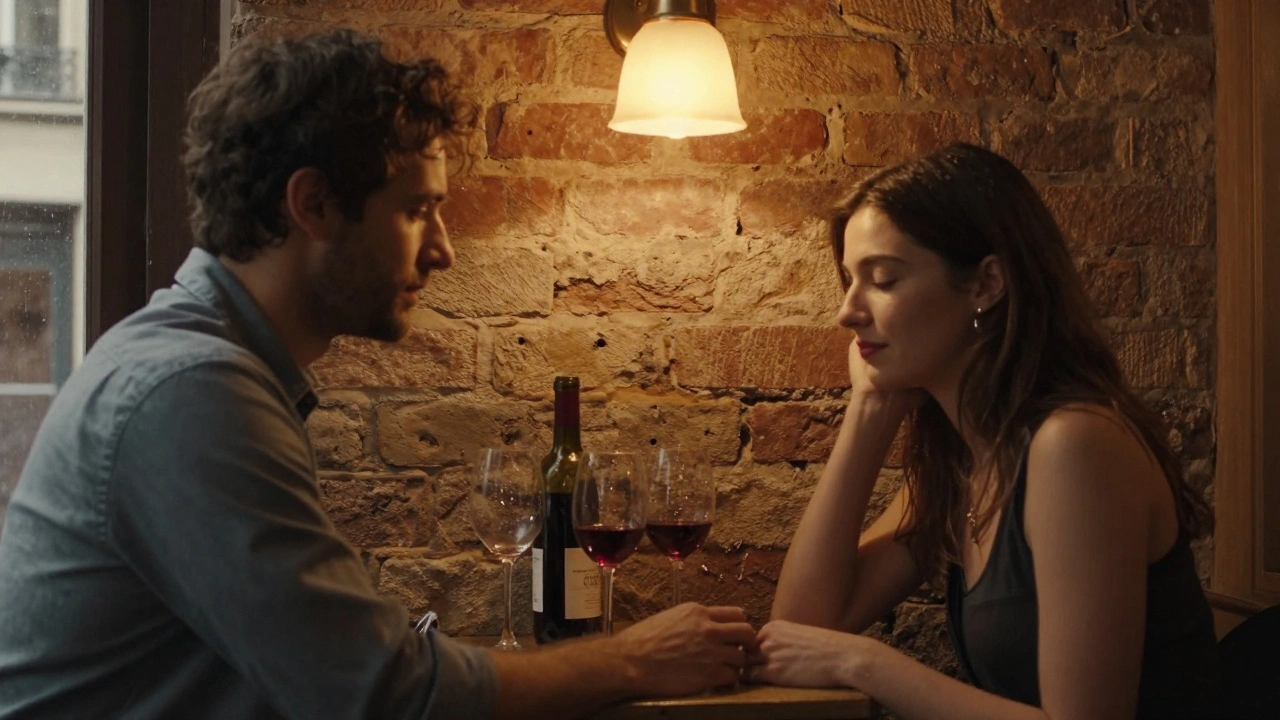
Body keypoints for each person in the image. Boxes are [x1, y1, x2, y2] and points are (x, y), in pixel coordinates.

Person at [0, 29, 756, 719]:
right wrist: (633, 660)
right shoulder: (188, 391)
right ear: (315, 204)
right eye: (418, 211)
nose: (444, 250)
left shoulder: (204, 367)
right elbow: (380, 694)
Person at [746, 144, 1220, 719]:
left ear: (985, 284)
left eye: (884, 279)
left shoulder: (1074, 445)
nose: (848, 312)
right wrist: (871, 408)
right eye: (850, 279)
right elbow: (799, 631)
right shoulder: (962, 463)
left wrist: (863, 664)